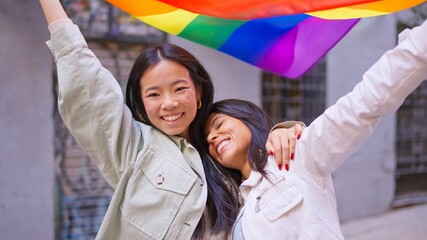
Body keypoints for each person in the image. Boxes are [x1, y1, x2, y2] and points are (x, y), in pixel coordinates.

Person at [38, 0, 303, 239]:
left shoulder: (218, 149)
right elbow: (89, 85)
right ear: (141, 102)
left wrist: (285, 133)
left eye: (179, 88)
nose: (169, 103)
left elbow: (263, 157)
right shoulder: (134, 147)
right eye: (154, 94)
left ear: (197, 91)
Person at [204, 18, 427, 240]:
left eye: (219, 125)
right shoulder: (234, 207)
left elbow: (364, 103)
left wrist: (418, 46)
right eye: (206, 139)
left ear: (248, 118)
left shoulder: (296, 157)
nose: (212, 137)